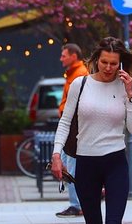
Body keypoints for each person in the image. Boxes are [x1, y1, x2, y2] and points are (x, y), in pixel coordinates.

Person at [51, 37, 132, 224]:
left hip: (115, 162)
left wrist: (131, 96)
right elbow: (65, 121)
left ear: (120, 64)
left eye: (113, 63)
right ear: (96, 60)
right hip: (86, 162)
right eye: (104, 62)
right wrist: (56, 154)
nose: (108, 67)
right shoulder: (80, 84)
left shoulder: (126, 87)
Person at [55, 43, 89, 219]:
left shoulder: (80, 74)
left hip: (74, 127)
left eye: (64, 55)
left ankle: (77, 205)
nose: (61, 58)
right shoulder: (73, 74)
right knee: (70, 165)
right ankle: (78, 204)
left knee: (72, 166)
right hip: (71, 126)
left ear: (74, 56)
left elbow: (77, 104)